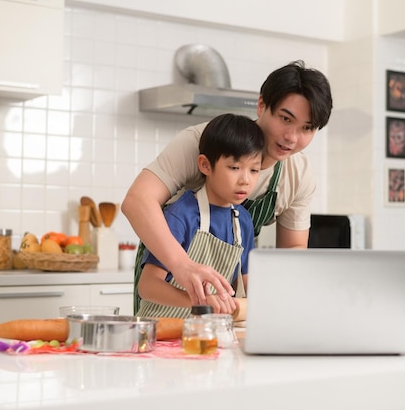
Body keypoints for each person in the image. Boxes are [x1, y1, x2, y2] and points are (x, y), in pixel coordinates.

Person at [122, 60, 333, 313]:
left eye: (307, 128)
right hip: (167, 277)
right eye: (285, 119)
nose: (292, 137)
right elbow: (137, 201)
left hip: (222, 307)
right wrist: (182, 265)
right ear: (262, 105)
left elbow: (293, 249)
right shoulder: (203, 142)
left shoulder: (299, 174)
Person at [136, 113, 264, 318]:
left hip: (207, 335)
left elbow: (248, 286)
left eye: (254, 170)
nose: (245, 180)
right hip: (164, 335)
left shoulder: (242, 222)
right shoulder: (182, 215)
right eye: (234, 167)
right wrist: (200, 302)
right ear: (205, 165)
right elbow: (148, 286)